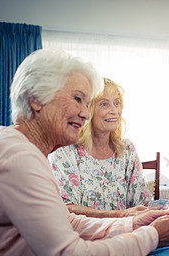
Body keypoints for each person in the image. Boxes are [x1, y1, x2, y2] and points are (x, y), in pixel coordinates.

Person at [0, 49, 169, 256]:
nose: (85, 113)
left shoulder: (19, 148)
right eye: (78, 99)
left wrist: (132, 223)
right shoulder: (19, 158)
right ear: (36, 99)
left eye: (87, 102)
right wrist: (152, 236)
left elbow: (66, 221)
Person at [49, 77, 152, 218]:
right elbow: (65, 207)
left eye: (117, 103)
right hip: (82, 237)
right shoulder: (65, 150)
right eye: (104, 104)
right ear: (87, 109)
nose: (114, 111)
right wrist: (120, 215)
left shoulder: (126, 148)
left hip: (126, 235)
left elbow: (142, 202)